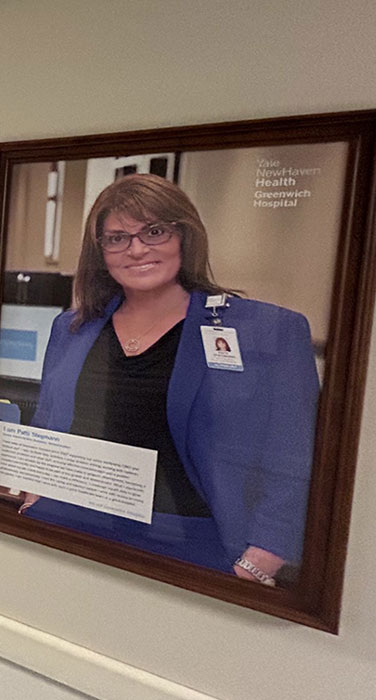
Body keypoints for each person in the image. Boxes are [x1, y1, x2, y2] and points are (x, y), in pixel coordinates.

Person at [19, 173, 319, 587]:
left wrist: (261, 559)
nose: (137, 249)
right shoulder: (72, 329)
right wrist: (35, 491)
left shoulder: (265, 332)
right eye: (117, 237)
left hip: (195, 545)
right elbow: (51, 422)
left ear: (185, 236)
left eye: (154, 231)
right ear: (100, 251)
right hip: (70, 525)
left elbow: (294, 454)